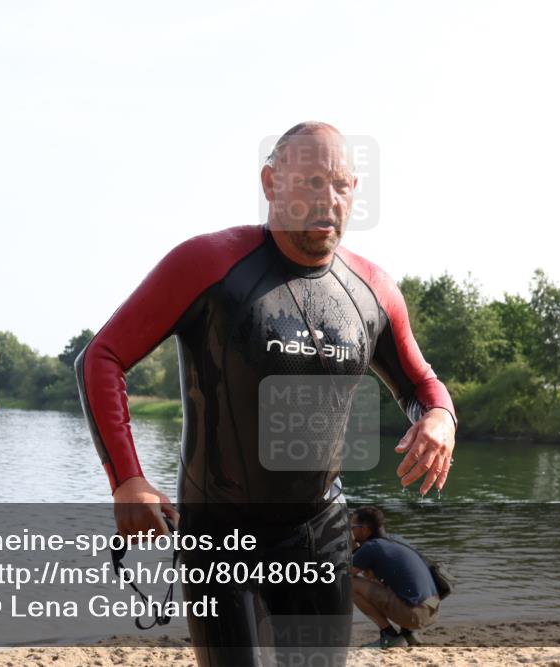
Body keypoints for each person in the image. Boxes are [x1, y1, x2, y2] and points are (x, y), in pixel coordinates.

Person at [75, 121, 457, 666]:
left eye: (342, 185)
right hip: (219, 531)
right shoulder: (207, 265)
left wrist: (440, 416)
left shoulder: (373, 290)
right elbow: (102, 358)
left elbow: (423, 384)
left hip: (318, 531)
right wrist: (128, 479)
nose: (328, 200)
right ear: (271, 183)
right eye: (310, 183)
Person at [349, 507, 440, 649]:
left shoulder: (371, 548)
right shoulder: (397, 540)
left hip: (414, 615)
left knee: (348, 584)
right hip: (433, 609)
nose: (350, 531)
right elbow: (372, 576)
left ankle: (389, 635)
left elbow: (344, 574)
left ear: (365, 529)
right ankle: (408, 633)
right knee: (381, 582)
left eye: (352, 527)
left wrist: (351, 547)